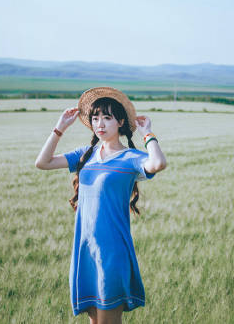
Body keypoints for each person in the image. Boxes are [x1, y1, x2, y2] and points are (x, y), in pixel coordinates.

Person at [35, 86, 167, 320]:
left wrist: (148, 133)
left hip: (112, 252)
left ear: (120, 122)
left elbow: (157, 163)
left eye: (107, 118)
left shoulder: (131, 158)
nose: (100, 124)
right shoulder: (85, 154)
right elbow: (42, 162)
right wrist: (60, 128)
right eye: (95, 118)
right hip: (85, 250)